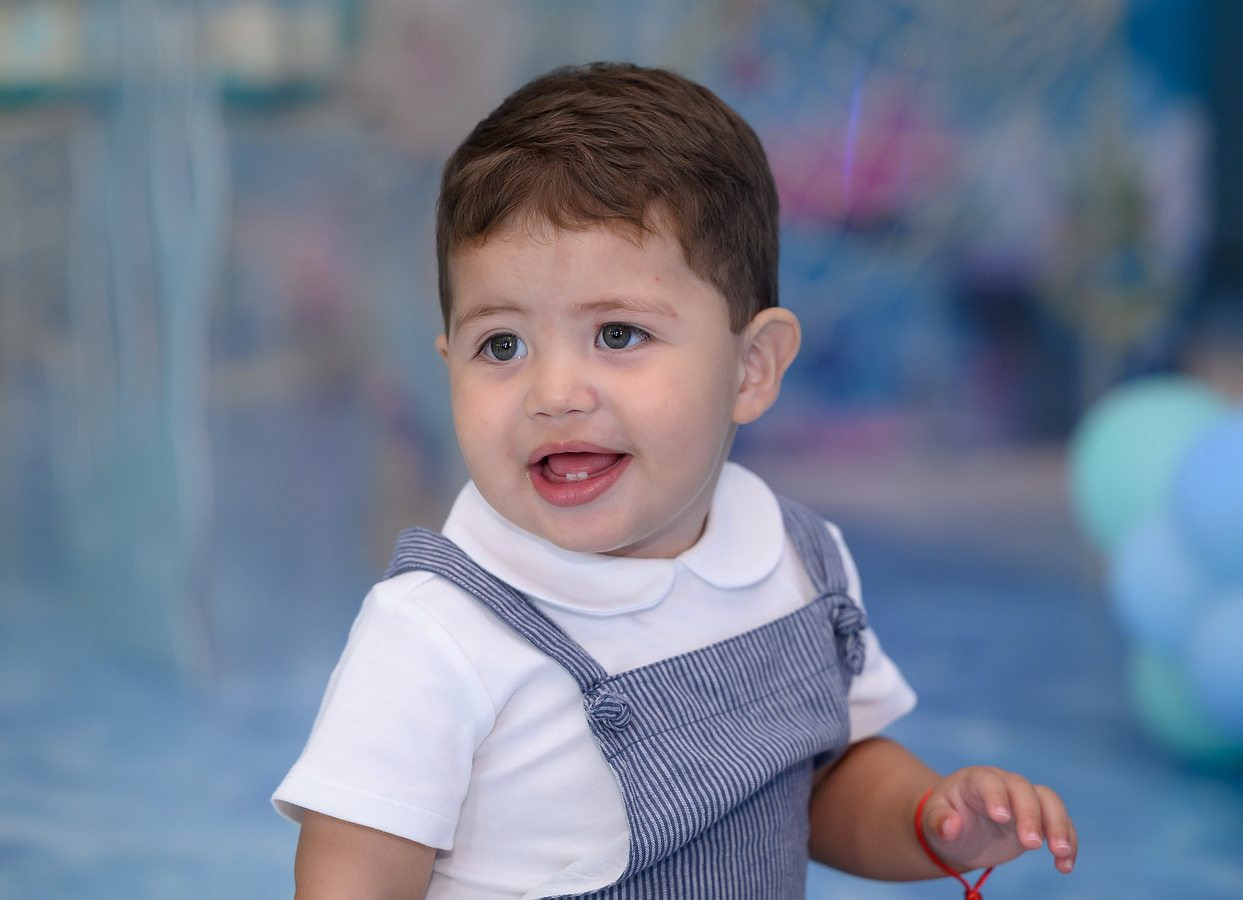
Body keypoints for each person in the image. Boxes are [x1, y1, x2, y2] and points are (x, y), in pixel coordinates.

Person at [273, 62, 1078, 898]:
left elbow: (819, 782)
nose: (554, 393)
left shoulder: (797, 562)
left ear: (750, 368)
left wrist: (927, 819)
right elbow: (354, 877)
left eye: (618, 334)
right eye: (501, 345)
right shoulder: (437, 635)